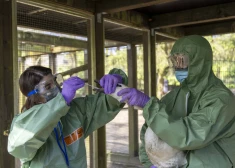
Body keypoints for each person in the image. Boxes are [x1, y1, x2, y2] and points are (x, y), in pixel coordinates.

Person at [118, 35, 235, 168]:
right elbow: (149, 131)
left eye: (182, 60)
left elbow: (189, 135)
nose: (177, 66)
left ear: (200, 62)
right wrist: (150, 162)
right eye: (174, 60)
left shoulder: (221, 99)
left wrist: (149, 106)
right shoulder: (173, 96)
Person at [7, 65, 128, 168]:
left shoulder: (75, 110)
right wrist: (61, 102)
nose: (56, 87)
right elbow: (17, 146)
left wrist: (117, 81)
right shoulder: (24, 122)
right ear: (32, 95)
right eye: (48, 86)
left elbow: (108, 103)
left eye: (55, 81)